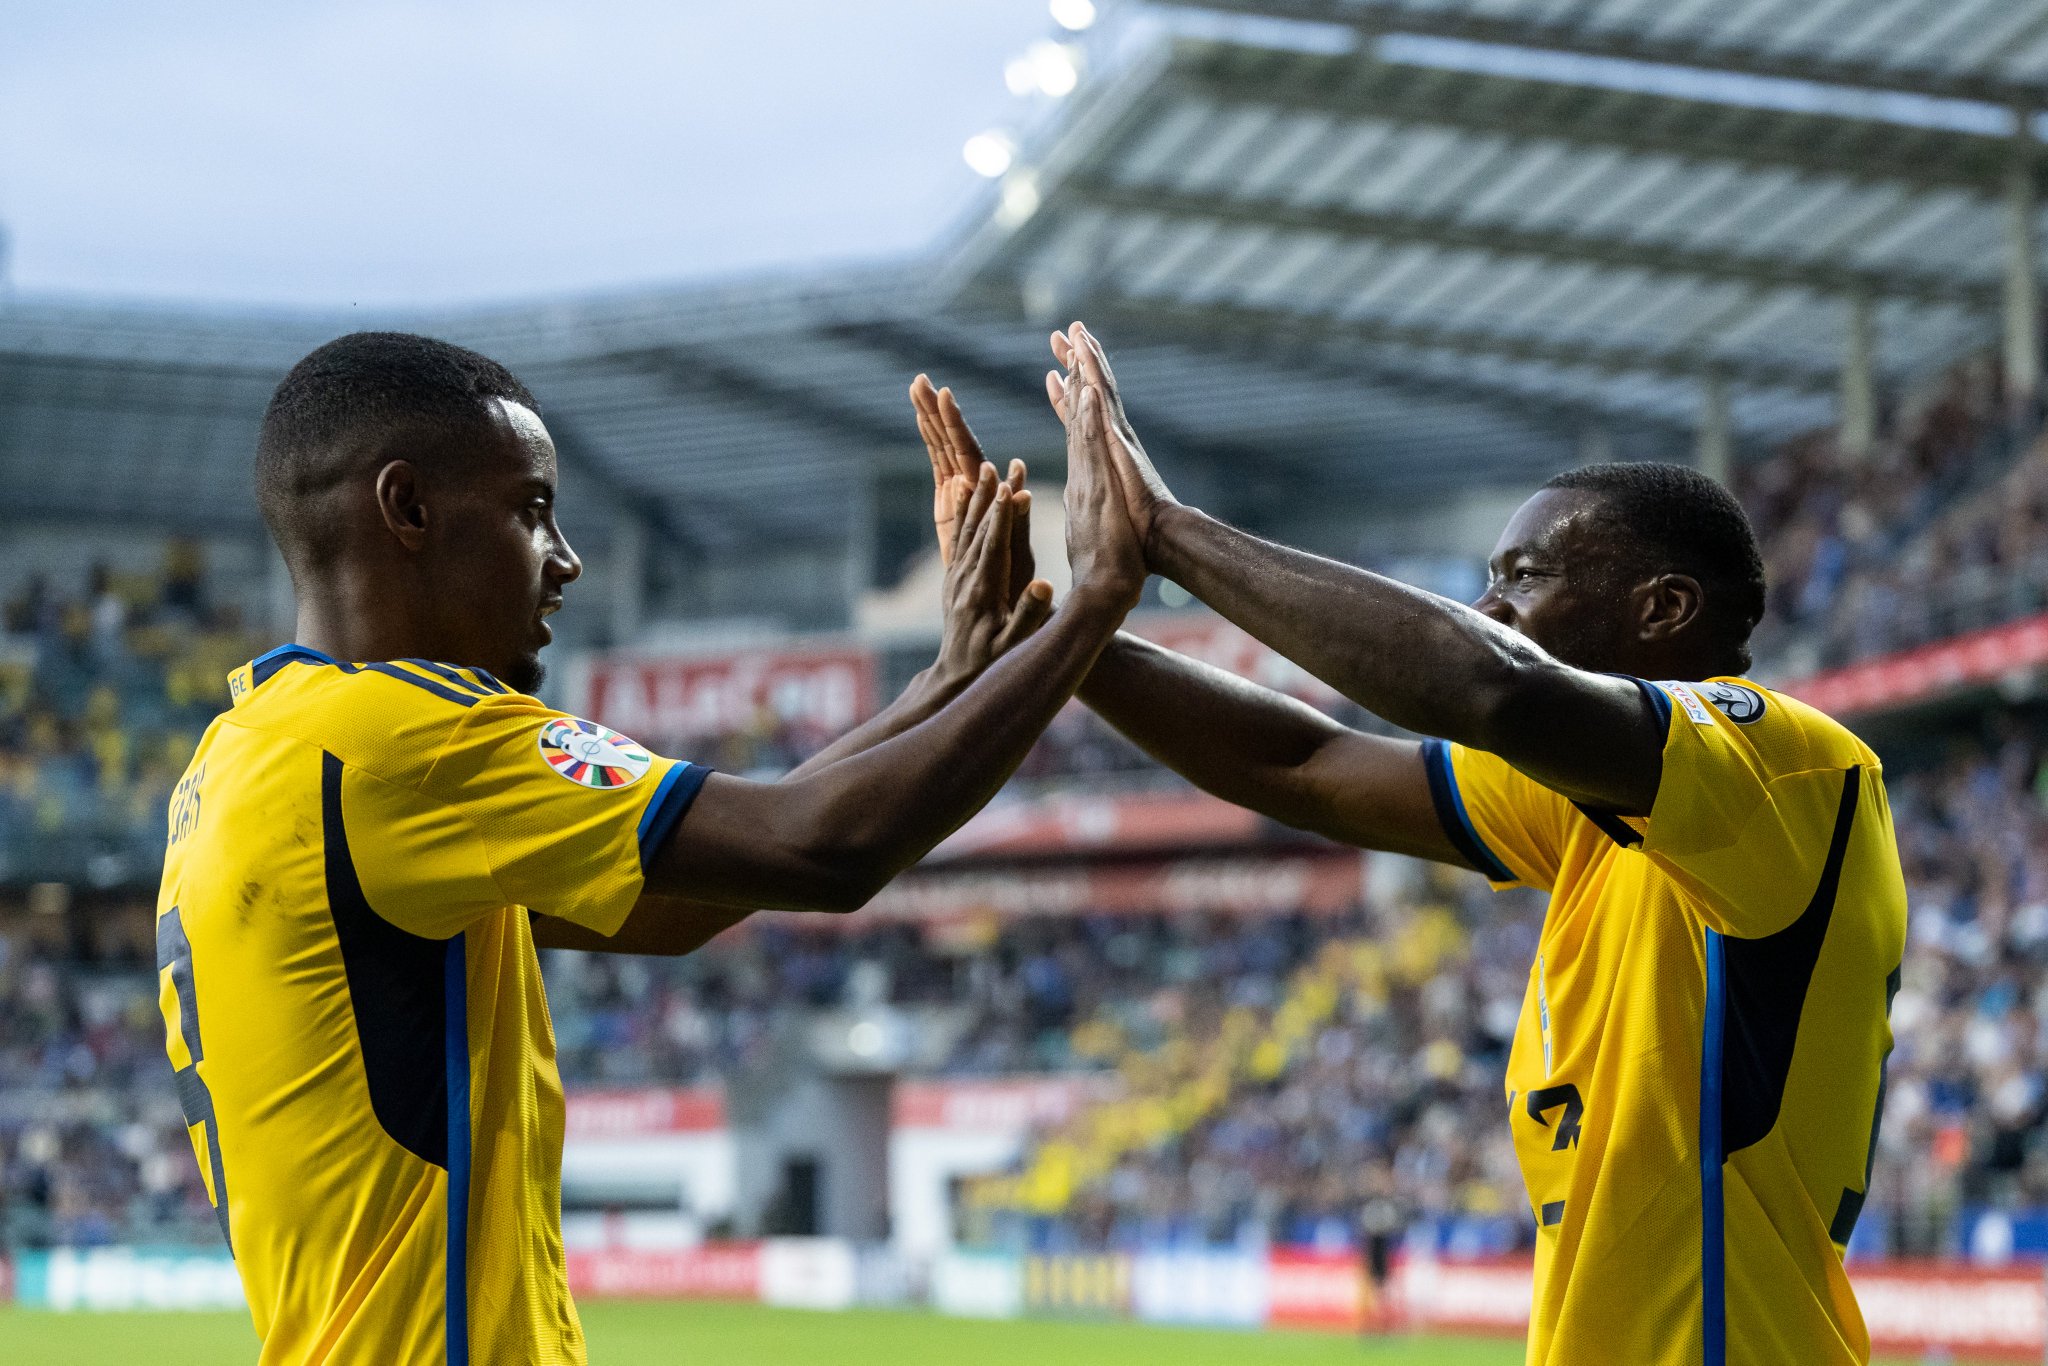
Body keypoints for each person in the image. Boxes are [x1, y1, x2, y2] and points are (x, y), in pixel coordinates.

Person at [915, 322, 1908, 1366]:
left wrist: (1163, 533)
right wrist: (1053, 634)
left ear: (1660, 610)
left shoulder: (1789, 772)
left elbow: (1486, 685)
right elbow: (1297, 766)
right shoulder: (1590, 817)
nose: (1488, 607)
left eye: (1521, 576)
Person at [153, 331, 1145, 1365]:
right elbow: (822, 852)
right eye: (530, 510)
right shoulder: (408, 737)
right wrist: (1093, 602)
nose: (565, 558)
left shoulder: (249, 757)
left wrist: (949, 680)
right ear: (405, 508)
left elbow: (675, 905)